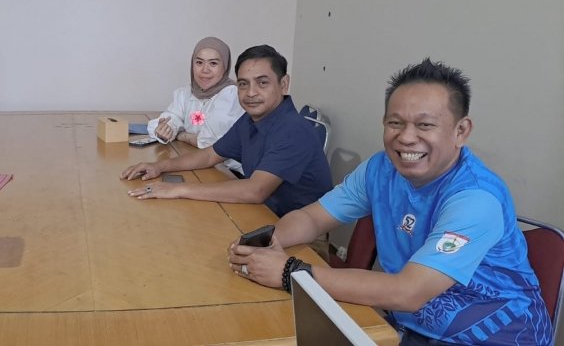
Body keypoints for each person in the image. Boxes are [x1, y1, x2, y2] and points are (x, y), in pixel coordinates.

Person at [227, 59, 551, 345]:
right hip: (407, 326)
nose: (406, 137)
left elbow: (408, 292)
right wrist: (269, 243)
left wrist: (289, 272)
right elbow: (313, 218)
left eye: (425, 125)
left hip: (492, 338)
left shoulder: (476, 199)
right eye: (395, 123)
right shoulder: (380, 169)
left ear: (460, 131)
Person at [121, 44, 332, 217]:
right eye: (243, 84)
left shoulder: (293, 130)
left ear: (284, 84)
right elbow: (210, 155)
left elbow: (255, 190)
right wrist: (159, 166)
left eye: (262, 83)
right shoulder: (251, 120)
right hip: (261, 213)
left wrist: (178, 189)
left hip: (296, 233)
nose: (251, 93)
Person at [146, 37, 244, 172]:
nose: (205, 70)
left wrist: (182, 135)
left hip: (230, 172)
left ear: (225, 66)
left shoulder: (232, 95)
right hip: (196, 162)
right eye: (199, 62)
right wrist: (167, 129)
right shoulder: (185, 93)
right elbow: (171, 117)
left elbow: (213, 144)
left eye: (213, 63)